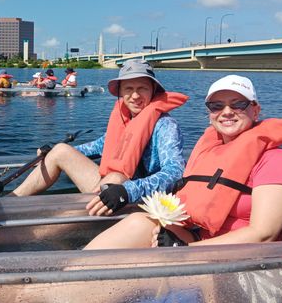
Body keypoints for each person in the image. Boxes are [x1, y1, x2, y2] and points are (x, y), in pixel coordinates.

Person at [84, 75, 282, 250]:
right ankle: (68, 279)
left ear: (256, 110)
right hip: (197, 241)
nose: (227, 112)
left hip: (241, 263)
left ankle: (73, 295)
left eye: (238, 104)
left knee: (131, 273)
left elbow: (264, 234)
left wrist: (186, 250)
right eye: (217, 106)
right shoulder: (208, 153)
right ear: (210, 113)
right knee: (139, 222)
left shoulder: (275, 161)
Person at [12, 59, 187, 216]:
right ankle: (8, 201)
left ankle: (35, 233)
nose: (135, 96)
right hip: (110, 190)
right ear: (120, 92)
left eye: (142, 88)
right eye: (129, 89)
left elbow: (175, 171)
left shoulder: (165, 126)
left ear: (153, 91)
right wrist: (51, 152)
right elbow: (99, 146)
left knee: (116, 177)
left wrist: (129, 190)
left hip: (139, 200)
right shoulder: (126, 118)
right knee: (60, 150)